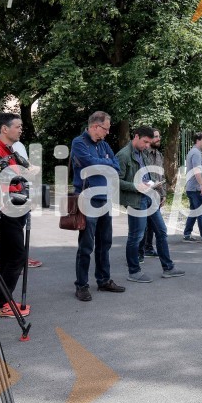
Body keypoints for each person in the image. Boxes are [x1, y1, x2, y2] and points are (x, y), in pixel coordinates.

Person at [117, 126, 185, 283]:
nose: (147, 145)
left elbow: (147, 175)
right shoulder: (123, 155)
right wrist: (136, 186)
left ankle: (168, 268)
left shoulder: (142, 152)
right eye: (145, 142)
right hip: (136, 200)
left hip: (149, 198)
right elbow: (116, 181)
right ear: (136, 136)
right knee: (136, 236)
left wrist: (155, 185)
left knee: (161, 231)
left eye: (149, 142)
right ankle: (134, 272)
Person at [70, 111, 126, 302]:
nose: (108, 132)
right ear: (95, 126)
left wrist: (106, 163)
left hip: (104, 199)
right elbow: (90, 164)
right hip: (88, 199)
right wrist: (106, 162)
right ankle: (81, 285)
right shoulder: (79, 142)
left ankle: (103, 280)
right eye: (106, 129)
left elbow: (116, 166)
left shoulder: (103, 144)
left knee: (105, 243)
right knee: (86, 245)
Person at [0, 113, 31, 317]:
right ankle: (1, 303)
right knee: (17, 255)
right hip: (4, 211)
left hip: (13, 208)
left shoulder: (9, 150)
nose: (21, 129)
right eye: (18, 126)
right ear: (4, 128)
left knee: (7, 255)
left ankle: (0, 301)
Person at [11, 140, 42, 268]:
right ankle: (18, 260)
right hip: (17, 190)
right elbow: (25, 169)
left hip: (21, 188)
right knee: (16, 228)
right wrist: (33, 169)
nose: (20, 130)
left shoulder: (17, 145)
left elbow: (25, 164)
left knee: (18, 227)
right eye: (18, 129)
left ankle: (19, 259)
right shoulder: (13, 145)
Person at [140, 128, 166, 261]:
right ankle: (139, 252)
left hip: (156, 195)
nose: (158, 139)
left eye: (159, 136)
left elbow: (162, 176)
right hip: (144, 194)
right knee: (142, 225)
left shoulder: (159, 155)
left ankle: (148, 248)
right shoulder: (142, 154)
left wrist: (163, 194)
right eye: (155, 136)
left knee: (152, 225)